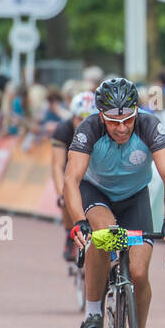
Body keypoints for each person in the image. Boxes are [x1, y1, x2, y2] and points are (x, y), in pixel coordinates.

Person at [64, 78, 165, 328]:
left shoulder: (150, 127)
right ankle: (93, 314)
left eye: (127, 120)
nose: (121, 128)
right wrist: (79, 221)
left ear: (136, 112)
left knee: (141, 274)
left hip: (135, 198)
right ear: (102, 115)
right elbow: (72, 180)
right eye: (114, 122)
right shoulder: (88, 129)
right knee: (106, 236)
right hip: (97, 193)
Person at [51, 90, 97, 262]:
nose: (83, 123)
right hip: (71, 170)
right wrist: (60, 194)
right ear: (72, 117)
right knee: (67, 195)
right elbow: (57, 166)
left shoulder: (99, 129)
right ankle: (70, 235)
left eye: (89, 118)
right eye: (80, 118)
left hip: (93, 172)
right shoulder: (63, 129)